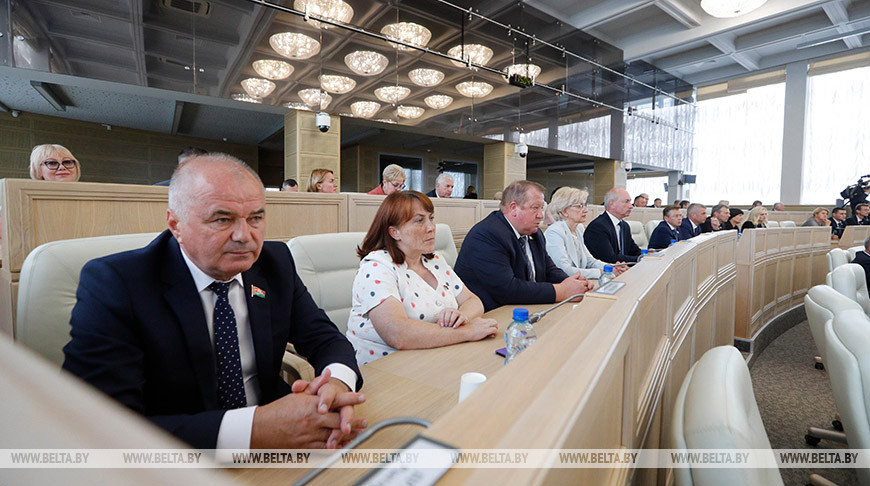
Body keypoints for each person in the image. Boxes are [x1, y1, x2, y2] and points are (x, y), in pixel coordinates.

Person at [62, 154, 365, 451]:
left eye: (256, 218)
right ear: (176, 224)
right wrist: (254, 431)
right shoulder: (115, 283)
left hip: (284, 443)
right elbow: (98, 423)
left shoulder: (275, 263)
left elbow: (325, 338)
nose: (244, 236)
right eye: (222, 219)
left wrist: (335, 386)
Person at [347, 191, 497, 365]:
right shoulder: (376, 267)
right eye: (419, 220)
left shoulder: (435, 261)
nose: (431, 227)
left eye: (431, 218)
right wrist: (466, 332)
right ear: (395, 232)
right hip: (385, 367)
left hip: (434, 357)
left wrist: (461, 317)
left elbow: (473, 300)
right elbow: (397, 333)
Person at [454, 180, 593, 312]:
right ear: (514, 208)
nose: (541, 215)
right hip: (491, 314)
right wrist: (561, 291)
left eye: (542, 208)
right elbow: (508, 289)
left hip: (524, 309)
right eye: (535, 208)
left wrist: (575, 283)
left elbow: (549, 270)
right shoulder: (487, 235)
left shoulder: (535, 234)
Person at [544, 187, 624, 279]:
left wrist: (613, 268)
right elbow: (564, 270)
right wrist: (601, 272)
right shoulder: (554, 232)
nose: (586, 210)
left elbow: (591, 261)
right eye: (580, 206)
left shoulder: (577, 230)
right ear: (565, 211)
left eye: (584, 205)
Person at [584, 188, 642, 263]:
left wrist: (646, 256)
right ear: (612, 204)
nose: (631, 206)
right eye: (626, 202)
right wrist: (639, 259)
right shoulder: (597, 227)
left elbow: (634, 251)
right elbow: (610, 258)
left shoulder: (624, 225)